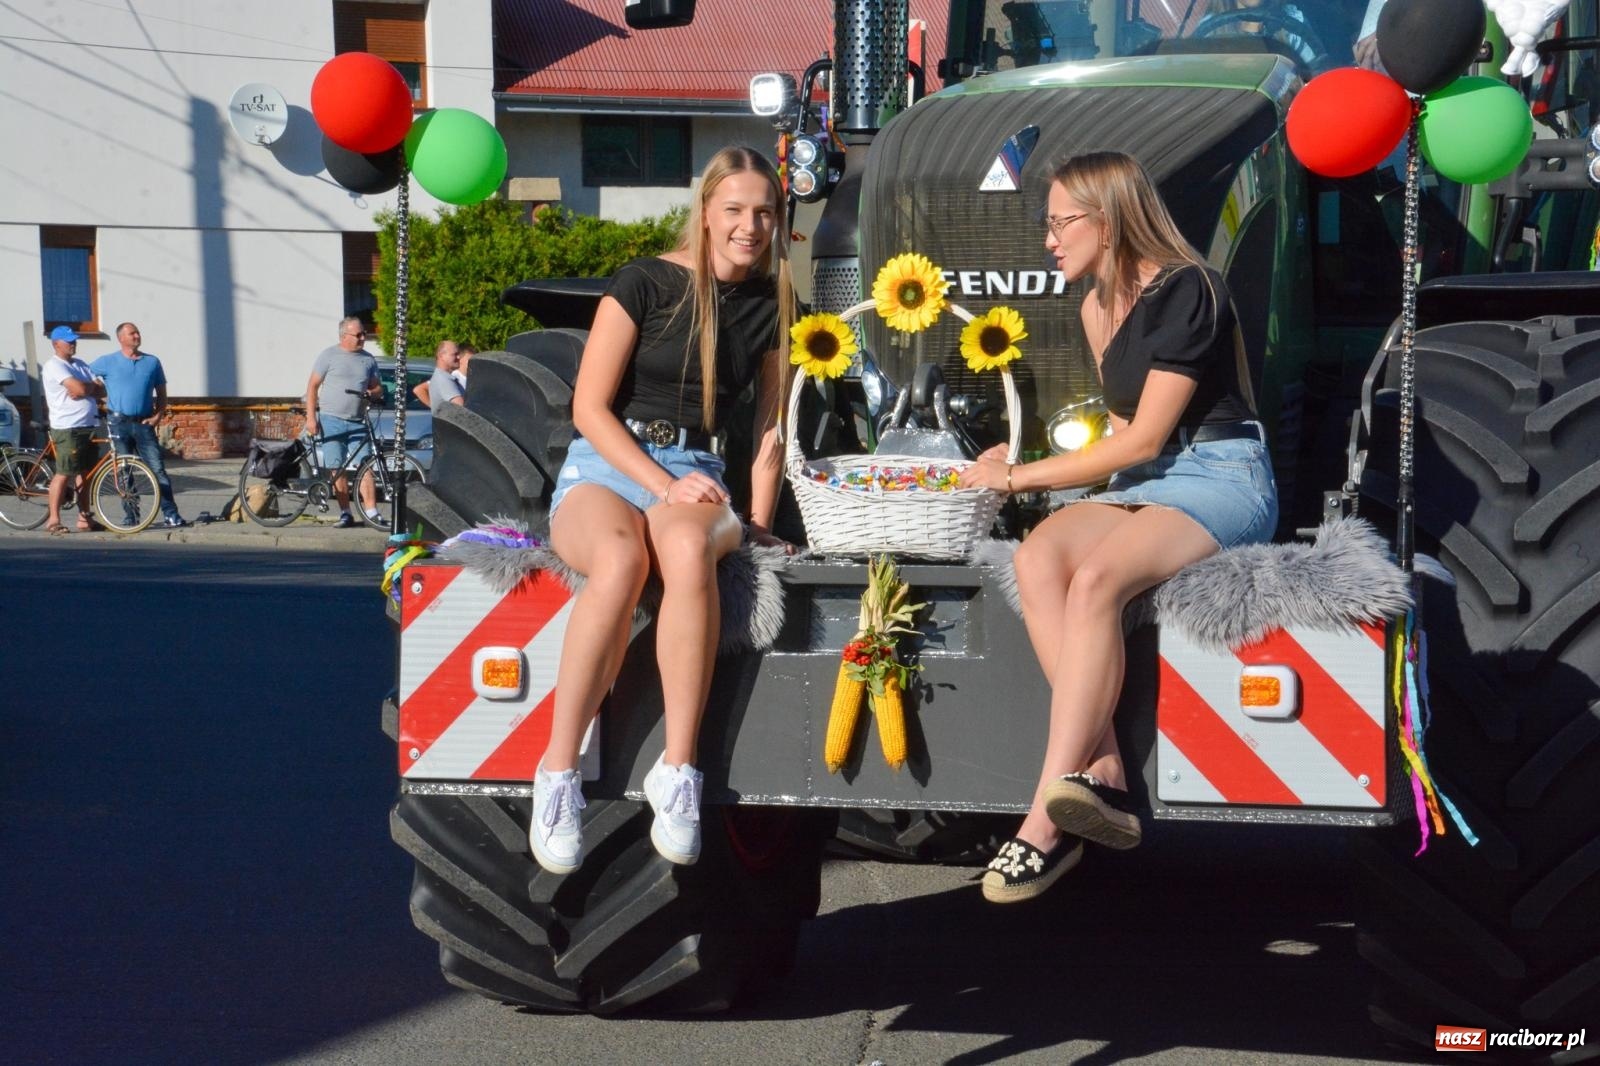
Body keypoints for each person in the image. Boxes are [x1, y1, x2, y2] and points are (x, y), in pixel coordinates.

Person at [958, 152, 1278, 903]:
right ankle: (1101, 768)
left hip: (1221, 474)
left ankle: (1042, 820)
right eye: (1048, 224)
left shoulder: (1190, 288)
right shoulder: (1095, 308)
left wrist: (1016, 479)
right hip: (1148, 480)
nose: (1049, 240)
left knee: (1098, 581)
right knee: (1038, 558)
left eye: (1061, 222)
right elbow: (1120, 441)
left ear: (1109, 218)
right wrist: (1025, 459)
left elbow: (1142, 439)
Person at [529, 145, 796, 876]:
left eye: (765, 212)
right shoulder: (643, 282)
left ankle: (677, 772)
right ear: (706, 212)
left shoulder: (774, 305)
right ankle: (557, 773)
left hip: (699, 471)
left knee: (683, 552)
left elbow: (771, 428)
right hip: (607, 465)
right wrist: (655, 480)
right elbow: (589, 407)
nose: (751, 226)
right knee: (618, 560)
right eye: (736, 210)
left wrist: (761, 519)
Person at [90, 322, 187, 528]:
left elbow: (161, 393)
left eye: (137, 332)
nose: (136, 336)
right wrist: (97, 391)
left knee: (157, 469)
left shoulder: (151, 362)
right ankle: (131, 516)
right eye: (132, 333)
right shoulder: (107, 362)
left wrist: (158, 416)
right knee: (124, 471)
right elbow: (85, 375)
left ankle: (171, 514)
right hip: (118, 423)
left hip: (144, 423)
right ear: (121, 338)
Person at [304, 316, 382, 527]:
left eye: (364, 333)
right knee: (335, 467)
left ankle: (372, 511)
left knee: (366, 466)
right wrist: (311, 418)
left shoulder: (368, 359)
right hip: (331, 419)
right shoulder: (329, 356)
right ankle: (345, 512)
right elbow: (312, 387)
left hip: (357, 421)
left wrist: (371, 393)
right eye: (359, 335)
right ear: (344, 336)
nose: (363, 338)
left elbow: (378, 388)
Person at [39, 325, 105, 534]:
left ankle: (84, 518)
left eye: (74, 340)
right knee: (64, 473)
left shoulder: (80, 364)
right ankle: (53, 519)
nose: (73, 344)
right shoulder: (54, 365)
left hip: (90, 425)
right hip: (68, 428)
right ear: (56, 344)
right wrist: (86, 388)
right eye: (69, 341)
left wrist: (86, 388)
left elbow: (102, 389)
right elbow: (78, 388)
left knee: (86, 474)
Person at [414, 339, 464, 413]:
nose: (459, 357)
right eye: (455, 354)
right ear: (441, 356)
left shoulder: (441, 376)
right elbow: (462, 408)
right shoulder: (444, 379)